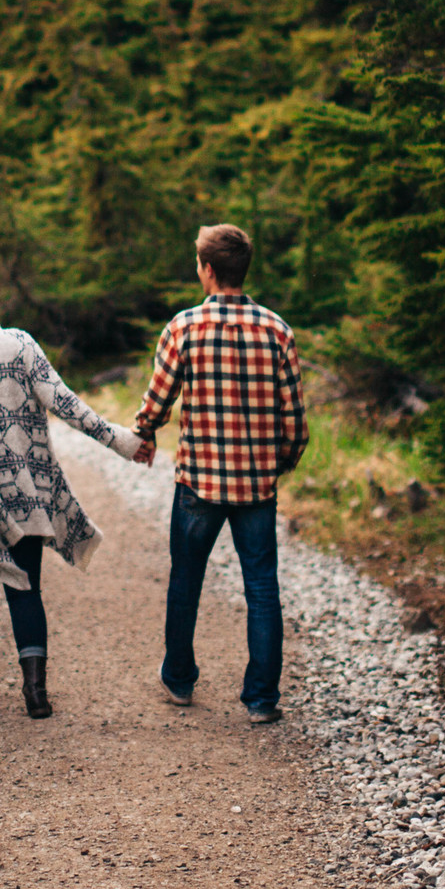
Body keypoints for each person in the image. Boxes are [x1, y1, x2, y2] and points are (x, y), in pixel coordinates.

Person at [0, 271, 154, 718]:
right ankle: (35, 693)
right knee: (26, 588)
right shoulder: (19, 344)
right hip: (25, 495)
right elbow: (67, 405)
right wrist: (123, 441)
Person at [131, 224, 308, 722]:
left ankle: (180, 680)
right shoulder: (277, 330)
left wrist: (144, 434)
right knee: (261, 587)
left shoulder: (184, 327)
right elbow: (294, 420)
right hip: (256, 485)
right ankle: (261, 699)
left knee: (186, 580)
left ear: (208, 270)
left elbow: (158, 401)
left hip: (198, 485)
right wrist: (279, 462)